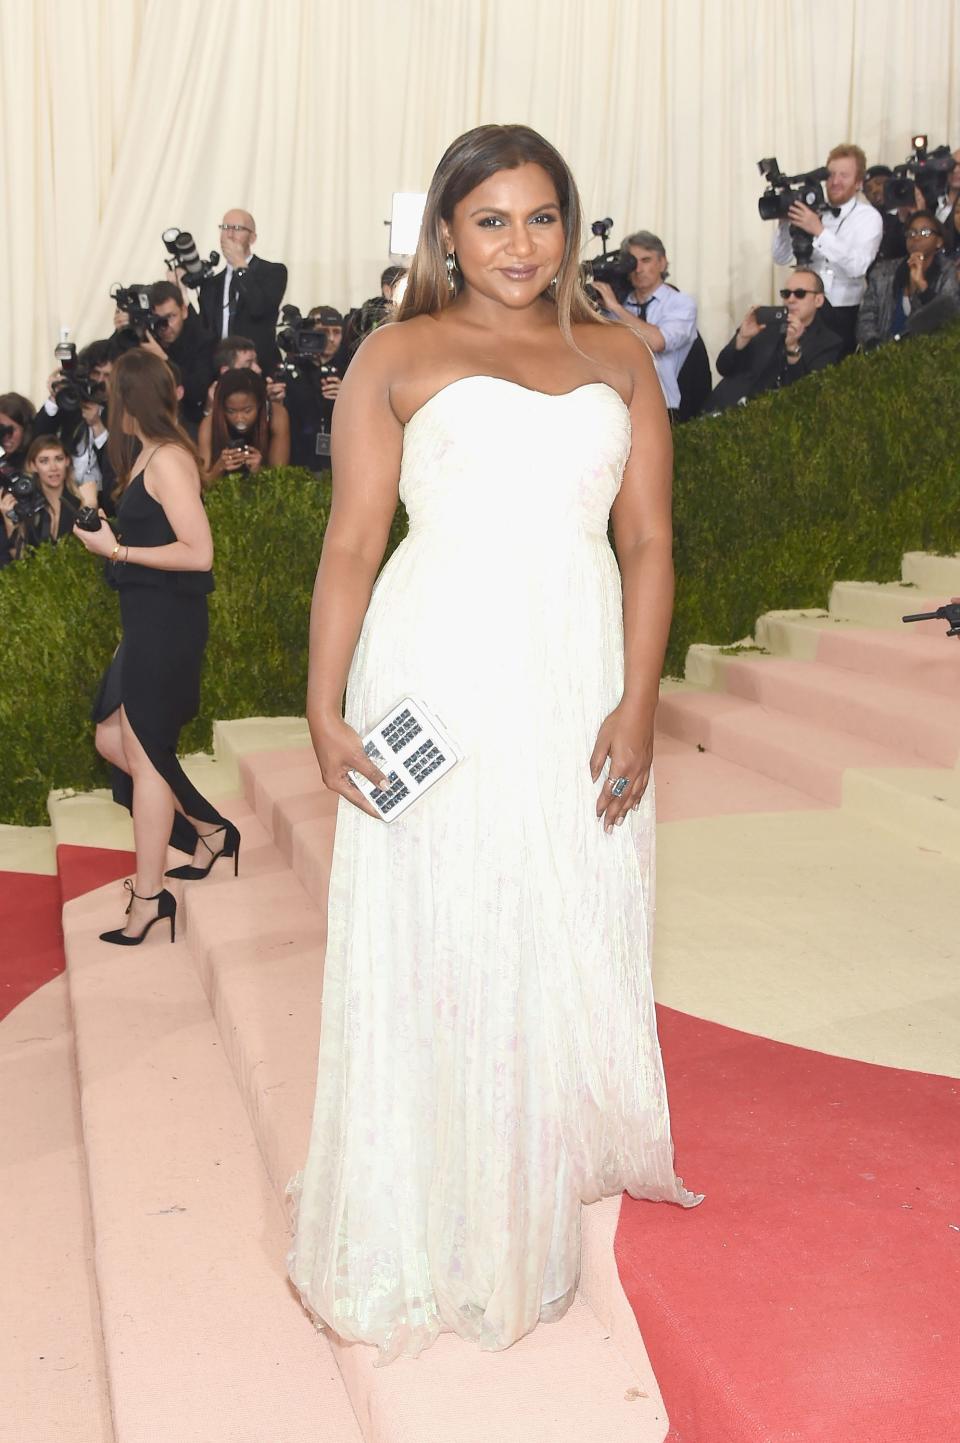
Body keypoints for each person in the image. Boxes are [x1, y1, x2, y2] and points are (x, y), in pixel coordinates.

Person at [287, 122, 700, 1363]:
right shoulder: (398, 353)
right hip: (439, 671)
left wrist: (639, 698)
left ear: (570, 227)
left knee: (554, 912)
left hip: (575, 671)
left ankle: (527, 1179)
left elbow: (649, 545)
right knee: (439, 920)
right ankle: (427, 1201)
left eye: (541, 218)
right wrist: (322, 704)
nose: (519, 245)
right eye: (490, 221)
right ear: (448, 236)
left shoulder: (623, 357)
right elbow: (354, 545)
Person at [72, 349, 240, 946]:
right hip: (144, 621)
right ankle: (210, 830)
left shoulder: (168, 460)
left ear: (128, 400)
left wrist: (115, 552)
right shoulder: (145, 453)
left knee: (144, 755)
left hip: (168, 622)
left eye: (109, 393)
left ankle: (149, 898)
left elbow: (199, 553)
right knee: (110, 738)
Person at [771, 143, 882, 353]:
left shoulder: (868, 217)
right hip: (805, 309)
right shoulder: (814, 210)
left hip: (842, 313)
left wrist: (819, 231)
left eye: (844, 176)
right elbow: (781, 257)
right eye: (830, 175)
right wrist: (785, 223)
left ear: (858, 183)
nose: (835, 182)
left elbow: (858, 267)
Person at [589, 230, 697, 417]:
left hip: (663, 406)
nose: (638, 269)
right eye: (632, 262)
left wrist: (615, 307)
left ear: (662, 263)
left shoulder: (681, 303)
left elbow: (657, 342)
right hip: (618, 405)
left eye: (646, 260)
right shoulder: (615, 305)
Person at [704, 269, 844, 412]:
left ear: (818, 300)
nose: (791, 299)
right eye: (786, 294)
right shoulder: (764, 323)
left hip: (770, 419)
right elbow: (723, 367)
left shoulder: (828, 342)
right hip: (723, 407)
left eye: (800, 294)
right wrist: (742, 338)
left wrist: (792, 348)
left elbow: (807, 395)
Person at [198, 209, 287, 371]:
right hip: (220, 369)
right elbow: (205, 330)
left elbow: (259, 308)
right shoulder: (212, 283)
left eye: (237, 229)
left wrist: (240, 265)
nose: (229, 235)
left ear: (252, 238)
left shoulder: (273, 272)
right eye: (225, 228)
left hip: (258, 366)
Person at [856, 211, 960, 349]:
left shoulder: (948, 273)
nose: (916, 238)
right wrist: (874, 344)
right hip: (881, 352)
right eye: (911, 233)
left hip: (927, 356)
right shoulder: (883, 272)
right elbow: (867, 315)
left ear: (939, 241)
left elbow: (949, 319)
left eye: (925, 232)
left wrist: (923, 287)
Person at [146, 282, 215, 431]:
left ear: (184, 311)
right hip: (150, 421)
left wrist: (163, 359)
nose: (165, 325)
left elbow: (197, 390)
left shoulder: (202, 340)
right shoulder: (147, 337)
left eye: (171, 316)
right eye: (158, 320)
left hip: (191, 423)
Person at [199, 367, 290, 479]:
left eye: (247, 410)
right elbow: (202, 482)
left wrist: (260, 471)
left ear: (260, 404)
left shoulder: (277, 415)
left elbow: (280, 477)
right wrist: (219, 468)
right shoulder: (208, 424)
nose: (239, 418)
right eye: (231, 411)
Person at [0, 435, 82, 559]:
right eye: (44, 461)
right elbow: (20, 560)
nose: (53, 468)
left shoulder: (80, 500)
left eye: (58, 459)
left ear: (67, 461)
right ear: (33, 466)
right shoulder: (26, 505)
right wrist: (10, 523)